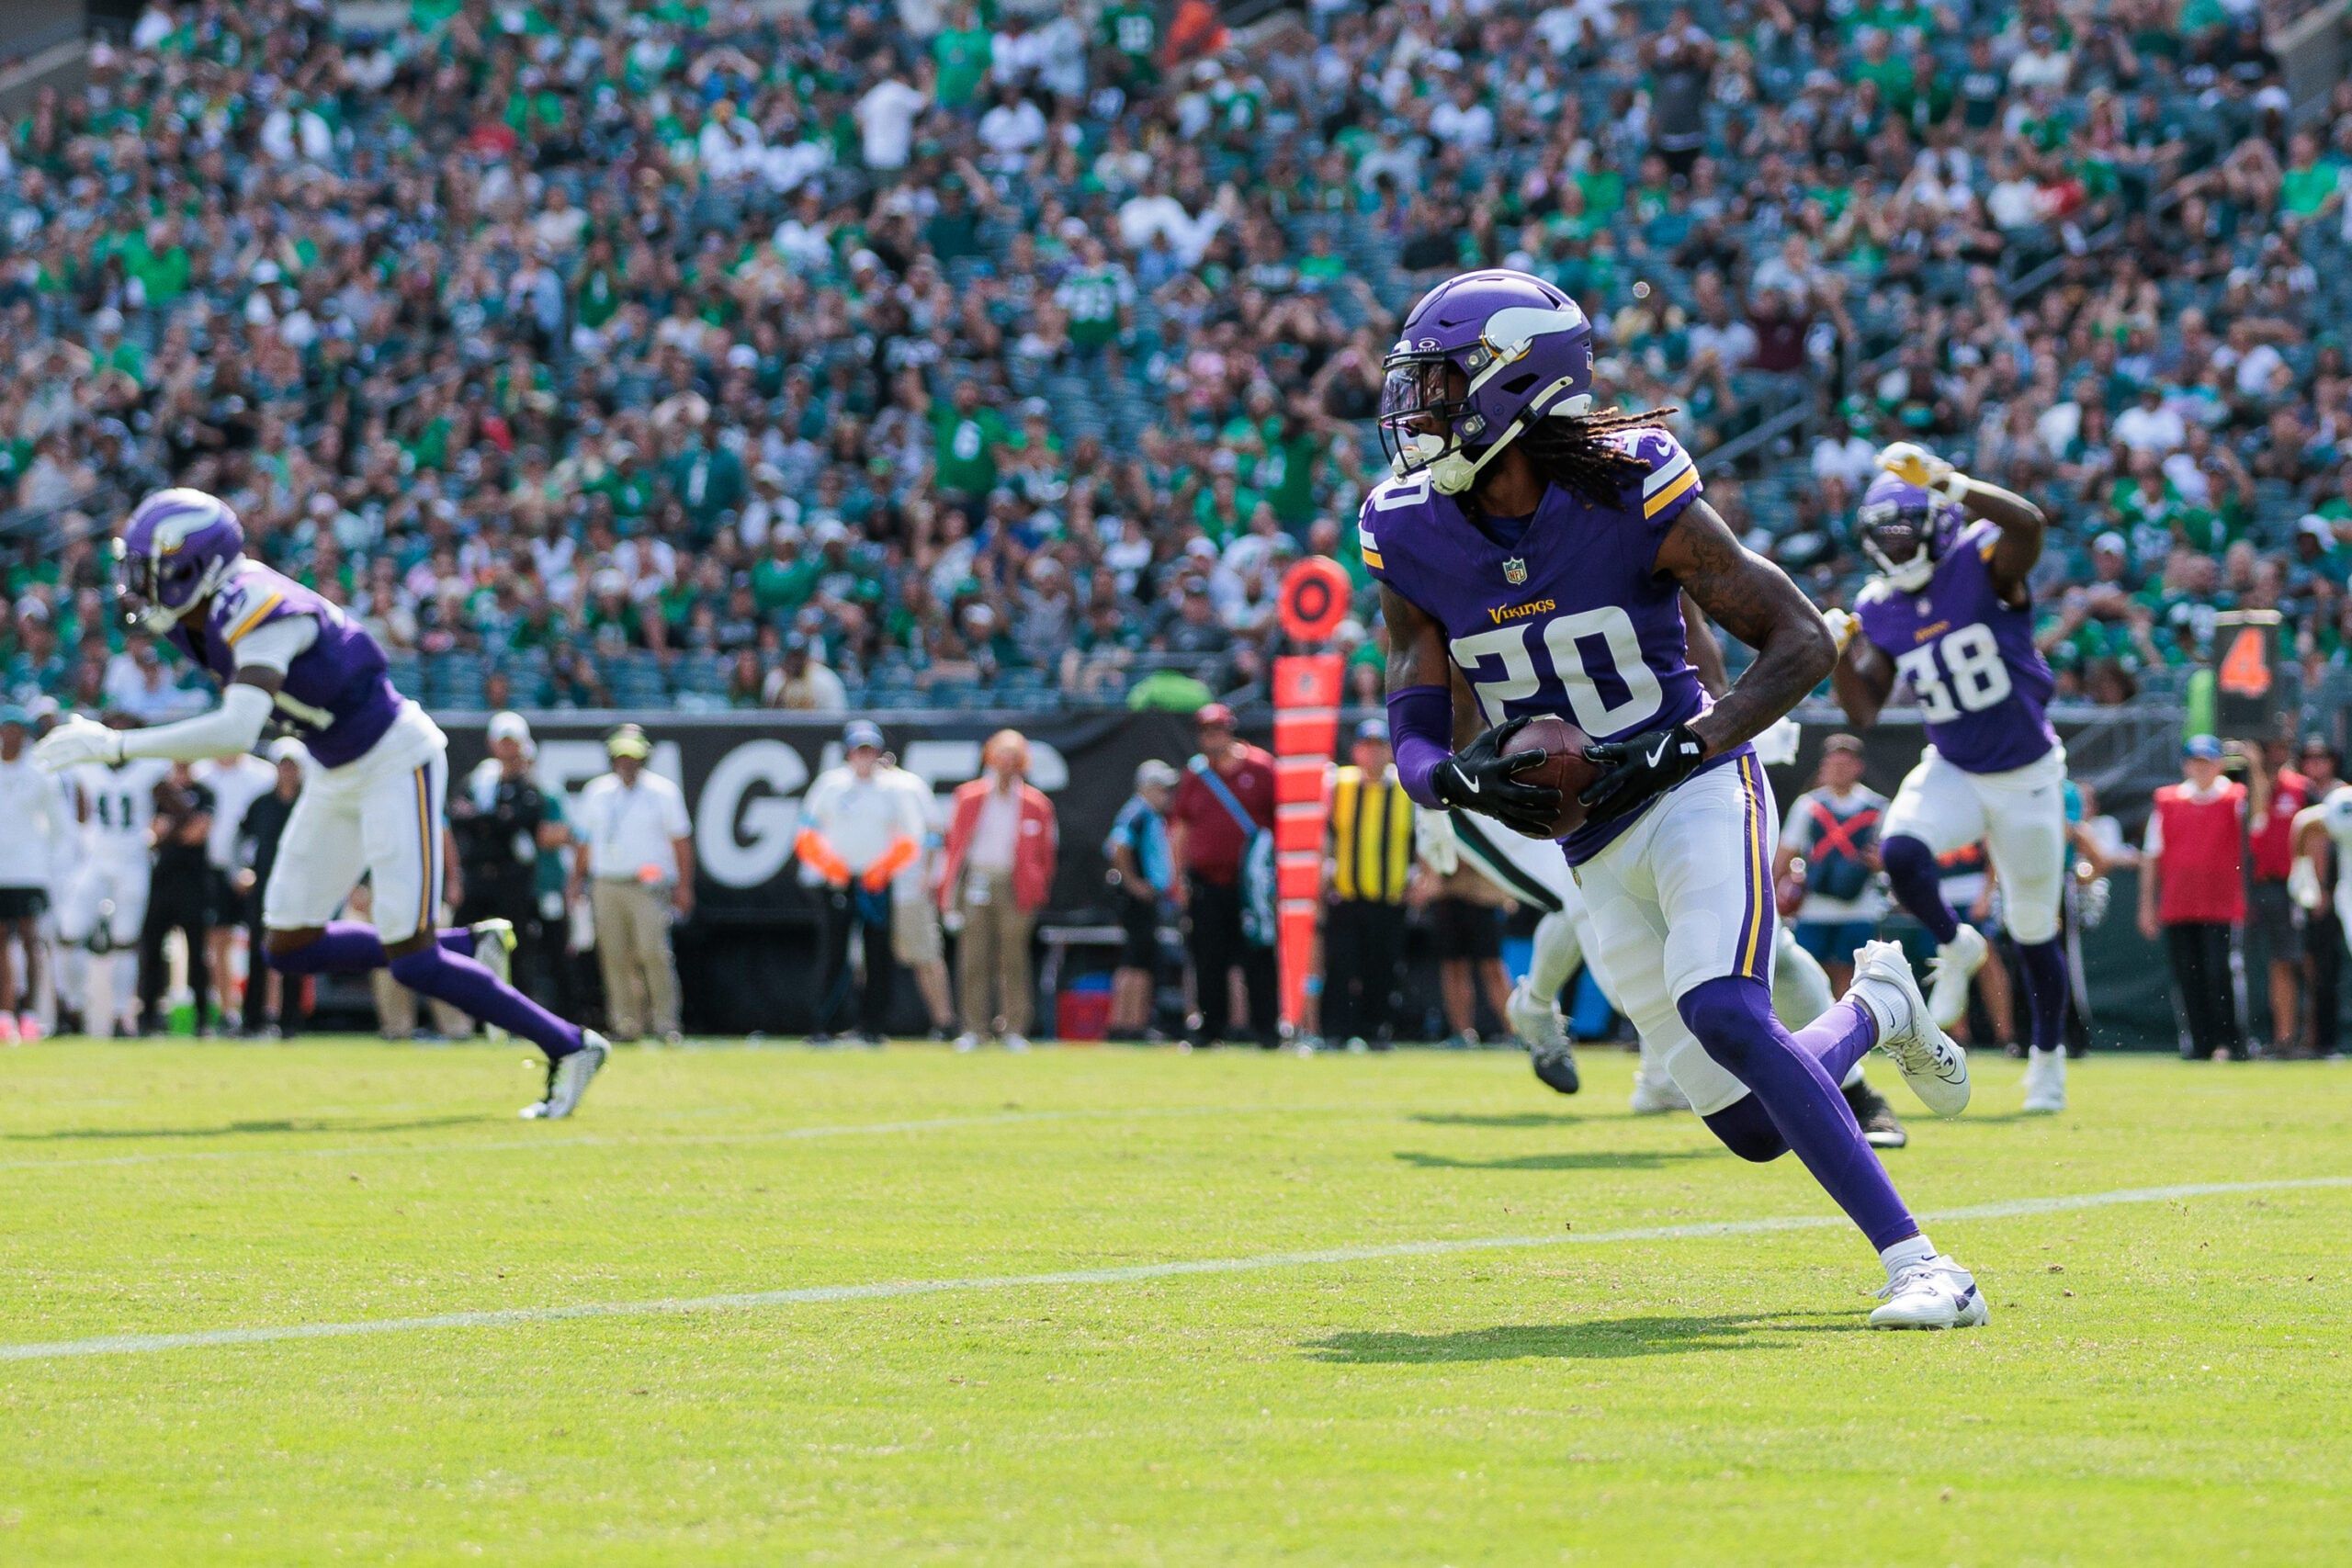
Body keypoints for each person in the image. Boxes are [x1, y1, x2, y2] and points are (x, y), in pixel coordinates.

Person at [1371, 269, 1976, 1328]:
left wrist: (1682, 746)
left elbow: (1795, 643)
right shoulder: (1408, 526)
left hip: (1695, 783)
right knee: (1749, 1122)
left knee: (1725, 1007)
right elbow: (1413, 715)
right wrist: (1452, 778)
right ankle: (1878, 1007)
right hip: (1588, 837)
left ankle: (1924, 1266)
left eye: (1441, 383)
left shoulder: (1629, 484)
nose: (1418, 408)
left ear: (1517, 385)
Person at [33, 490, 609, 1117]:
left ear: (192, 567)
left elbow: (235, 728)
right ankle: (467, 948)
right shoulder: (206, 613)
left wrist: (117, 745)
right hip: (334, 768)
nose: (136, 583)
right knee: (287, 944)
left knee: (414, 960)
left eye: (149, 568)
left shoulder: (254, 604)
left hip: (394, 757)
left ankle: (571, 1044)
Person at [1836, 441, 2072, 1114]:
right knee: (1903, 850)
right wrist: (1835, 654)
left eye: (1905, 528)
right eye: (1884, 533)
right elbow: (1863, 708)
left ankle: (2047, 1059)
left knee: (2032, 928)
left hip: (2026, 773)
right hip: (1956, 766)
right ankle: (1955, 941)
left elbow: (2028, 523)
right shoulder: (1879, 604)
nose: (1894, 543)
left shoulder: (1979, 561)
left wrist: (1950, 480)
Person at [796, 720, 927, 1043]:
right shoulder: (831, 784)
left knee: (879, 955)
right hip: (837, 881)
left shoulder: (895, 788)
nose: (865, 756)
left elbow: (912, 837)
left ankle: (873, 1026)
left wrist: (882, 869)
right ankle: (824, 1024)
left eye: (870, 750)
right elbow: (806, 833)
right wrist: (831, 866)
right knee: (833, 953)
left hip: (876, 882)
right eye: (859, 750)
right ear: (849, 752)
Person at [570, 724, 694, 1044]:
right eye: (622, 756)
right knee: (614, 955)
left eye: (633, 756)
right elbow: (584, 842)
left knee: (653, 952)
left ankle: (666, 1022)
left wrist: (684, 886)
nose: (627, 762)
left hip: (647, 885)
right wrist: (576, 880)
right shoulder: (597, 792)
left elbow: (681, 842)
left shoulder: (663, 792)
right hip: (606, 882)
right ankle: (625, 1024)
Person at [938, 729, 1059, 1050]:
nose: (1006, 766)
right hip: (977, 879)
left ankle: (1014, 1029)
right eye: (1001, 758)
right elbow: (953, 847)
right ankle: (974, 1029)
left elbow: (1046, 854)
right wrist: (948, 892)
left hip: (1015, 885)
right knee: (973, 957)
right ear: (990, 759)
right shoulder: (969, 796)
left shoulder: (1036, 804)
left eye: (1013, 759)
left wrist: (1036, 887)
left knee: (1014, 958)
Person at [1168, 703, 1278, 1049]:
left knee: (1258, 958)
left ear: (1229, 731)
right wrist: (1177, 879)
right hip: (1206, 883)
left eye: (1217, 730)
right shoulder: (1196, 775)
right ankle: (1210, 1028)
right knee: (1208, 960)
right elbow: (1180, 830)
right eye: (1206, 732)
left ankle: (1267, 1029)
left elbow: (1279, 825)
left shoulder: (1261, 768)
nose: (1212, 738)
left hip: (1251, 887)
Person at [2143, 736, 2260, 1060]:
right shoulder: (2168, 800)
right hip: (2179, 904)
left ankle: (2233, 1042)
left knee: (2220, 973)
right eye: (2195, 761)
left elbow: (2259, 817)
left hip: (2222, 905)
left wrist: (2256, 767)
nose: (2200, 768)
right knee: (2187, 976)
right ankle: (2198, 1043)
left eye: (2207, 761)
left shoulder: (2236, 797)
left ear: (2219, 764)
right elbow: (2152, 856)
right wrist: (2146, 906)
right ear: (2185, 765)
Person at [58, 730, 168, 1038]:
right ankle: (74, 1007)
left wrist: (157, 835)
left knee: (125, 940)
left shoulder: (149, 770)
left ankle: (121, 1015)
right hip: (95, 860)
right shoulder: (87, 770)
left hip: (132, 861)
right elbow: (81, 816)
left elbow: (177, 809)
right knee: (69, 932)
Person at [455, 710, 559, 1023]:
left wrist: (484, 820)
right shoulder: (478, 780)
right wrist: (495, 819)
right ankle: (462, 1021)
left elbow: (520, 819)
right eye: (503, 742)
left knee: (518, 951)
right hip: (477, 877)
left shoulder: (531, 786)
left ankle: (521, 1019)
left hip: (513, 880)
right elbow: (459, 816)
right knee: (462, 943)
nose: (508, 749)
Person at [1322, 719, 1415, 1051]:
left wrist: (1420, 880)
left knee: (1383, 968)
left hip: (1389, 897)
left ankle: (1377, 1029)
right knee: (1341, 966)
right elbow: (1326, 836)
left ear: (1390, 752)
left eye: (1380, 747)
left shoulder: (1405, 790)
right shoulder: (1339, 786)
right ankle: (1335, 1031)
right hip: (1346, 895)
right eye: (1368, 747)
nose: (1373, 754)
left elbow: (1420, 842)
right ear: (1356, 751)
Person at [1773, 734, 1887, 997]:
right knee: (1810, 973)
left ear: (1858, 767)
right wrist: (1773, 894)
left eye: (1846, 764)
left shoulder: (1877, 807)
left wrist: (1880, 862)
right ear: (1824, 766)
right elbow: (1787, 851)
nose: (1839, 770)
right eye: (1834, 764)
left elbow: (1889, 855)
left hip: (1860, 908)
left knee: (1855, 976)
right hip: (1814, 908)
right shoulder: (1809, 805)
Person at [878, 752, 956, 1042]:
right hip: (870, 888)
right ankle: (868, 1023)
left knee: (926, 956)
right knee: (865, 961)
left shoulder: (910, 786)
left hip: (908, 888)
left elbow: (934, 831)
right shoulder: (852, 786)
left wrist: (928, 874)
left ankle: (945, 1022)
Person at [194, 747, 274, 1031]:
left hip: (256, 870)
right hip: (211, 868)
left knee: (265, 941)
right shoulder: (201, 773)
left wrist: (248, 867)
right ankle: (228, 1011)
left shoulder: (263, 775)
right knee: (218, 941)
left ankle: (267, 1011)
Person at [2245, 734, 2311, 1056]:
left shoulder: (2301, 788)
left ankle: (2311, 1037)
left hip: (2299, 884)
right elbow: (2258, 818)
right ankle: (2284, 1037)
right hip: (2268, 885)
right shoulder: (2255, 789)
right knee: (2279, 963)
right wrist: (2254, 767)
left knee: (2307, 962)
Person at [234, 739, 307, 1037]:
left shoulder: (311, 803)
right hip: (263, 887)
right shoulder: (261, 804)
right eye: (283, 764)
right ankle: (252, 1020)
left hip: (300, 889)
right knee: (257, 953)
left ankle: (290, 1022)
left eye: (293, 765)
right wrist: (241, 870)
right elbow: (241, 841)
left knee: (295, 952)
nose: (287, 771)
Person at [139, 761, 216, 1033]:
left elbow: (196, 833)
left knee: (197, 952)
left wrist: (173, 824)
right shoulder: (159, 791)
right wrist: (177, 824)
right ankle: (148, 1017)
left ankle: (203, 1018)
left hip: (193, 882)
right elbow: (153, 833)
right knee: (152, 950)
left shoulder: (205, 792)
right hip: (163, 880)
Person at [1104, 760, 1178, 1041]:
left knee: (1142, 960)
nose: (1167, 796)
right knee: (1136, 960)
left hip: (1148, 898)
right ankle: (1128, 1023)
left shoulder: (1149, 815)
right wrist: (1134, 883)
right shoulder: (1137, 813)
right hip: (1138, 900)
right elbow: (1118, 846)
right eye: (1162, 789)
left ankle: (1133, 1021)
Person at [0, 708, 62, 1042]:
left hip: (30, 872)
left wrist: (49, 866)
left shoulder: (41, 775)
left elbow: (58, 827)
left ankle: (31, 1013)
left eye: (17, 730)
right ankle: (5, 1012)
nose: (12, 736)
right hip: (1, 871)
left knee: (31, 942)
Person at [2290, 739, 2345, 1055]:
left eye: (2322, 757)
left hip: (2344, 887)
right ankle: (2320, 1041)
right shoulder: (2301, 795)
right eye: (2309, 758)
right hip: (2316, 892)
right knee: (2318, 969)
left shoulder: (2343, 794)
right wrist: (2317, 888)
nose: (2315, 764)